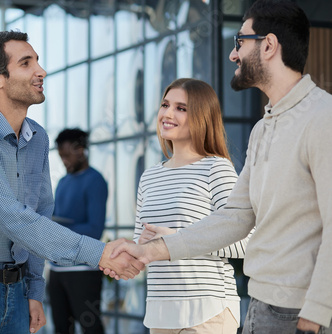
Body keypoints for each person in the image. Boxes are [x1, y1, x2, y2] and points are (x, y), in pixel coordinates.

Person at [110, 1, 332, 333]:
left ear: (268, 46)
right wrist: (150, 251)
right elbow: (235, 217)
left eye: (240, 41)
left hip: (299, 313)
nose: (233, 55)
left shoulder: (322, 118)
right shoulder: (263, 129)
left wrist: (316, 315)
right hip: (261, 306)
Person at [0, 31, 142, 334]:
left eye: (38, 62)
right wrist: (100, 253)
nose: (40, 71)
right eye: (26, 63)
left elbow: (38, 215)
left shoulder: (37, 138)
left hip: (17, 289)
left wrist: (33, 291)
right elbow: (14, 219)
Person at [133, 78, 249, 334]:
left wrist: (176, 239)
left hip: (207, 312)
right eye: (165, 105)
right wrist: (130, 251)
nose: (168, 113)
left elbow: (246, 242)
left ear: (202, 116)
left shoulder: (216, 169)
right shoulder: (149, 176)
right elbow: (141, 247)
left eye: (181, 108)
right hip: (160, 314)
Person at [48, 128, 108, 334]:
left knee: (91, 329)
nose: (64, 161)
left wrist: (58, 231)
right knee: (61, 329)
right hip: (56, 271)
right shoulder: (63, 182)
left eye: (66, 156)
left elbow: (95, 230)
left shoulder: (95, 181)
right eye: (60, 157)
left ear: (80, 150)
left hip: (83, 272)